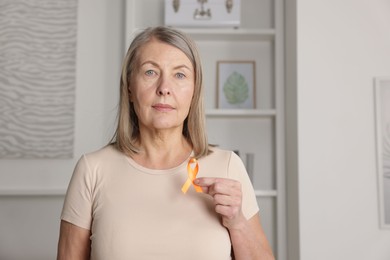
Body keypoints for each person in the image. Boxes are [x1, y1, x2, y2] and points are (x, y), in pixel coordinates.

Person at [57, 26, 275, 260]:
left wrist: (238, 223)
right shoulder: (92, 169)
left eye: (179, 75)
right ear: (129, 87)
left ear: (194, 91)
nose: (164, 89)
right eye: (150, 72)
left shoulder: (229, 166)